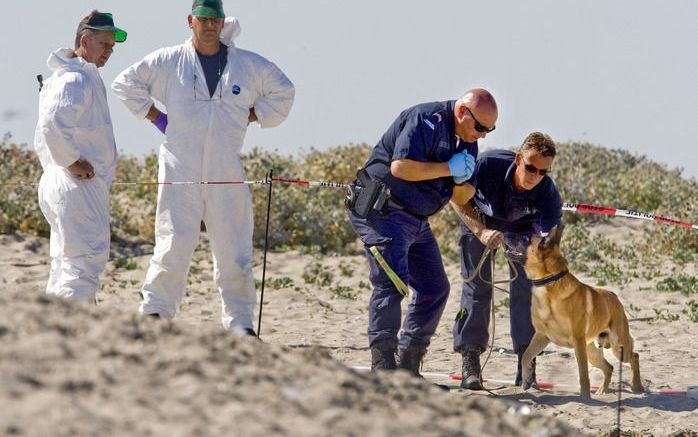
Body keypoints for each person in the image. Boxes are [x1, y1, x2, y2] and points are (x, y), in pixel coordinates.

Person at [111, 0, 294, 334]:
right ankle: (155, 312)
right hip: (180, 169)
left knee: (233, 246)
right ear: (191, 21)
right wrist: (157, 117)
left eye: (216, 20)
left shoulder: (245, 65)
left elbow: (284, 91)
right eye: (205, 19)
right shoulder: (169, 61)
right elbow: (125, 83)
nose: (211, 26)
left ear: (223, 22)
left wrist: (251, 116)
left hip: (226, 170)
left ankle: (239, 322)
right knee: (173, 240)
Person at [347, 89, 498, 375]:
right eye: (480, 127)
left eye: (489, 130)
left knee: (435, 288)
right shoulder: (424, 118)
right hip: (384, 211)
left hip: (417, 219)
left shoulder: (467, 141)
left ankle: (408, 366)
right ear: (462, 112)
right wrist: (446, 168)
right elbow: (401, 168)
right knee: (391, 283)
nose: (482, 135)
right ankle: (383, 367)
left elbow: (461, 195)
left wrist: (462, 180)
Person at [451, 132, 562, 389]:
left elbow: (549, 240)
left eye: (542, 172)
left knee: (527, 290)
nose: (535, 176)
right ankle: (470, 361)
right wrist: (481, 231)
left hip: (523, 230)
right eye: (530, 167)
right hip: (480, 220)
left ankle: (527, 363)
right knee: (477, 286)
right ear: (518, 159)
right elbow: (456, 198)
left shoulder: (548, 195)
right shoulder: (487, 165)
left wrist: (537, 252)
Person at [34, 10, 127, 301]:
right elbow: (51, 125)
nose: (109, 52)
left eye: (112, 47)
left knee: (64, 265)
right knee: (84, 262)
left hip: (63, 183)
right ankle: (74, 333)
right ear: (85, 40)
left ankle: (56, 330)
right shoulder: (75, 79)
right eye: (104, 45)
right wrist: (71, 161)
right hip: (76, 186)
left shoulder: (71, 76)